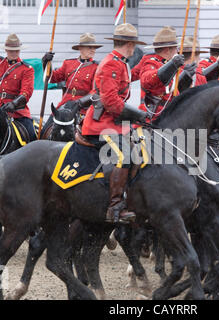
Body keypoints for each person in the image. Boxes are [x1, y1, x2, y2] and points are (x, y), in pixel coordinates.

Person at [81, 23, 147, 224]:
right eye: (133, 44)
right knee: (124, 154)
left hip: (114, 121)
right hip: (101, 124)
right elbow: (110, 100)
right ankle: (115, 205)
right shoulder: (111, 63)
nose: (134, 48)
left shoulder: (120, 63)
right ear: (128, 44)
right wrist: (135, 114)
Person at [42, 33, 103, 119]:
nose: (93, 50)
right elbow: (52, 78)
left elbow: (95, 92)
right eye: (90, 47)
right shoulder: (68, 63)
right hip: (65, 105)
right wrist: (45, 63)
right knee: (46, 128)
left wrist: (78, 102)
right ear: (80, 48)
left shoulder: (97, 67)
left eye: (94, 48)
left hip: (84, 108)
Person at [138, 26, 184, 122]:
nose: (178, 51)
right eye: (176, 49)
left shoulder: (170, 65)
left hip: (167, 117)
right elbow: (147, 80)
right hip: (151, 120)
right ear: (167, 50)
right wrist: (172, 65)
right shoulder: (151, 63)